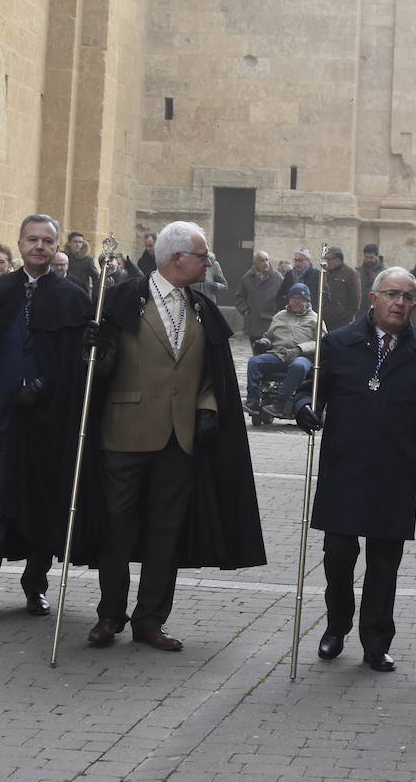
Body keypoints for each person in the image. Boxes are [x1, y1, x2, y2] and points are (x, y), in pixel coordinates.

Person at [80, 220, 267, 652]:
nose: (208, 262)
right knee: (117, 529)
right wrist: (95, 346)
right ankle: (110, 614)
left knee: (166, 531)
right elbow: (98, 372)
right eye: (203, 255)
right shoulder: (123, 298)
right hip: (125, 432)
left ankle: (150, 619)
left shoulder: (201, 307)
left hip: (180, 439)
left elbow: (208, 373)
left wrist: (207, 407)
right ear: (177, 257)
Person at [292, 266, 416, 672]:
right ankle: (337, 625)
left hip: (395, 471)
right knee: (338, 555)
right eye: (392, 294)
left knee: (384, 564)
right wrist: (303, 406)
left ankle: (376, 640)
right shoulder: (339, 344)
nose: (400, 302)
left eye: (407, 297)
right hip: (345, 465)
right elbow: (312, 388)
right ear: (373, 298)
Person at [0, 215, 92, 622]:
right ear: (20, 242)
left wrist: (44, 383)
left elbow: (74, 363)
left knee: (41, 504)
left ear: (56, 245)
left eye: (47, 241)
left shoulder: (72, 296)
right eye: (32, 239)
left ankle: (36, 584)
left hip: (45, 420)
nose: (39, 247)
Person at [243, 284, 317, 419]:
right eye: (294, 298)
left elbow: (321, 342)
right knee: (255, 362)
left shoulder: (315, 318)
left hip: (302, 357)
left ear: (307, 301)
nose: (297, 301)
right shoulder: (280, 316)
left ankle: (279, 404)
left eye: (301, 299)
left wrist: (300, 349)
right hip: (279, 354)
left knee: (298, 365)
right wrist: (265, 341)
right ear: (288, 300)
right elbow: (270, 336)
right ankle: (253, 401)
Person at [235, 250, 283, 342]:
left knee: (269, 352)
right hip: (253, 322)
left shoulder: (277, 277)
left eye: (267, 260)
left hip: (271, 322)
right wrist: (245, 310)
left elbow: (284, 296)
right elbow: (240, 297)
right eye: (262, 260)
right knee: (256, 351)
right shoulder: (247, 277)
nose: (265, 263)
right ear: (255, 263)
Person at [319, 247, 361, 334]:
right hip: (324, 318)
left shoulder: (350, 273)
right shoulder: (324, 272)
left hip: (341, 320)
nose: (327, 262)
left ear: (338, 259)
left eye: (329, 259)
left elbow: (355, 298)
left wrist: (346, 316)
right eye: (326, 259)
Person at [353, 244, 385, 319]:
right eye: (366, 257)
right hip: (360, 313)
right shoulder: (357, 272)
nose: (368, 260)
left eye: (371, 257)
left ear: (377, 256)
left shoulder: (385, 273)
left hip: (379, 311)